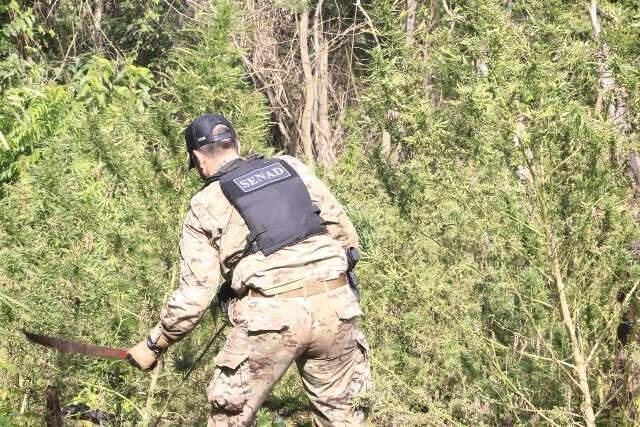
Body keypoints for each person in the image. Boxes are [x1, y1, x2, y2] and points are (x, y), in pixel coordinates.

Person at [127, 113, 371, 426]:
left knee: (229, 417)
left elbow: (194, 297)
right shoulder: (291, 167)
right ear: (236, 144)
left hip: (271, 318)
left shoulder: (204, 204)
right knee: (343, 419)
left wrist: (154, 345)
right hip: (336, 307)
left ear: (198, 159)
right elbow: (347, 238)